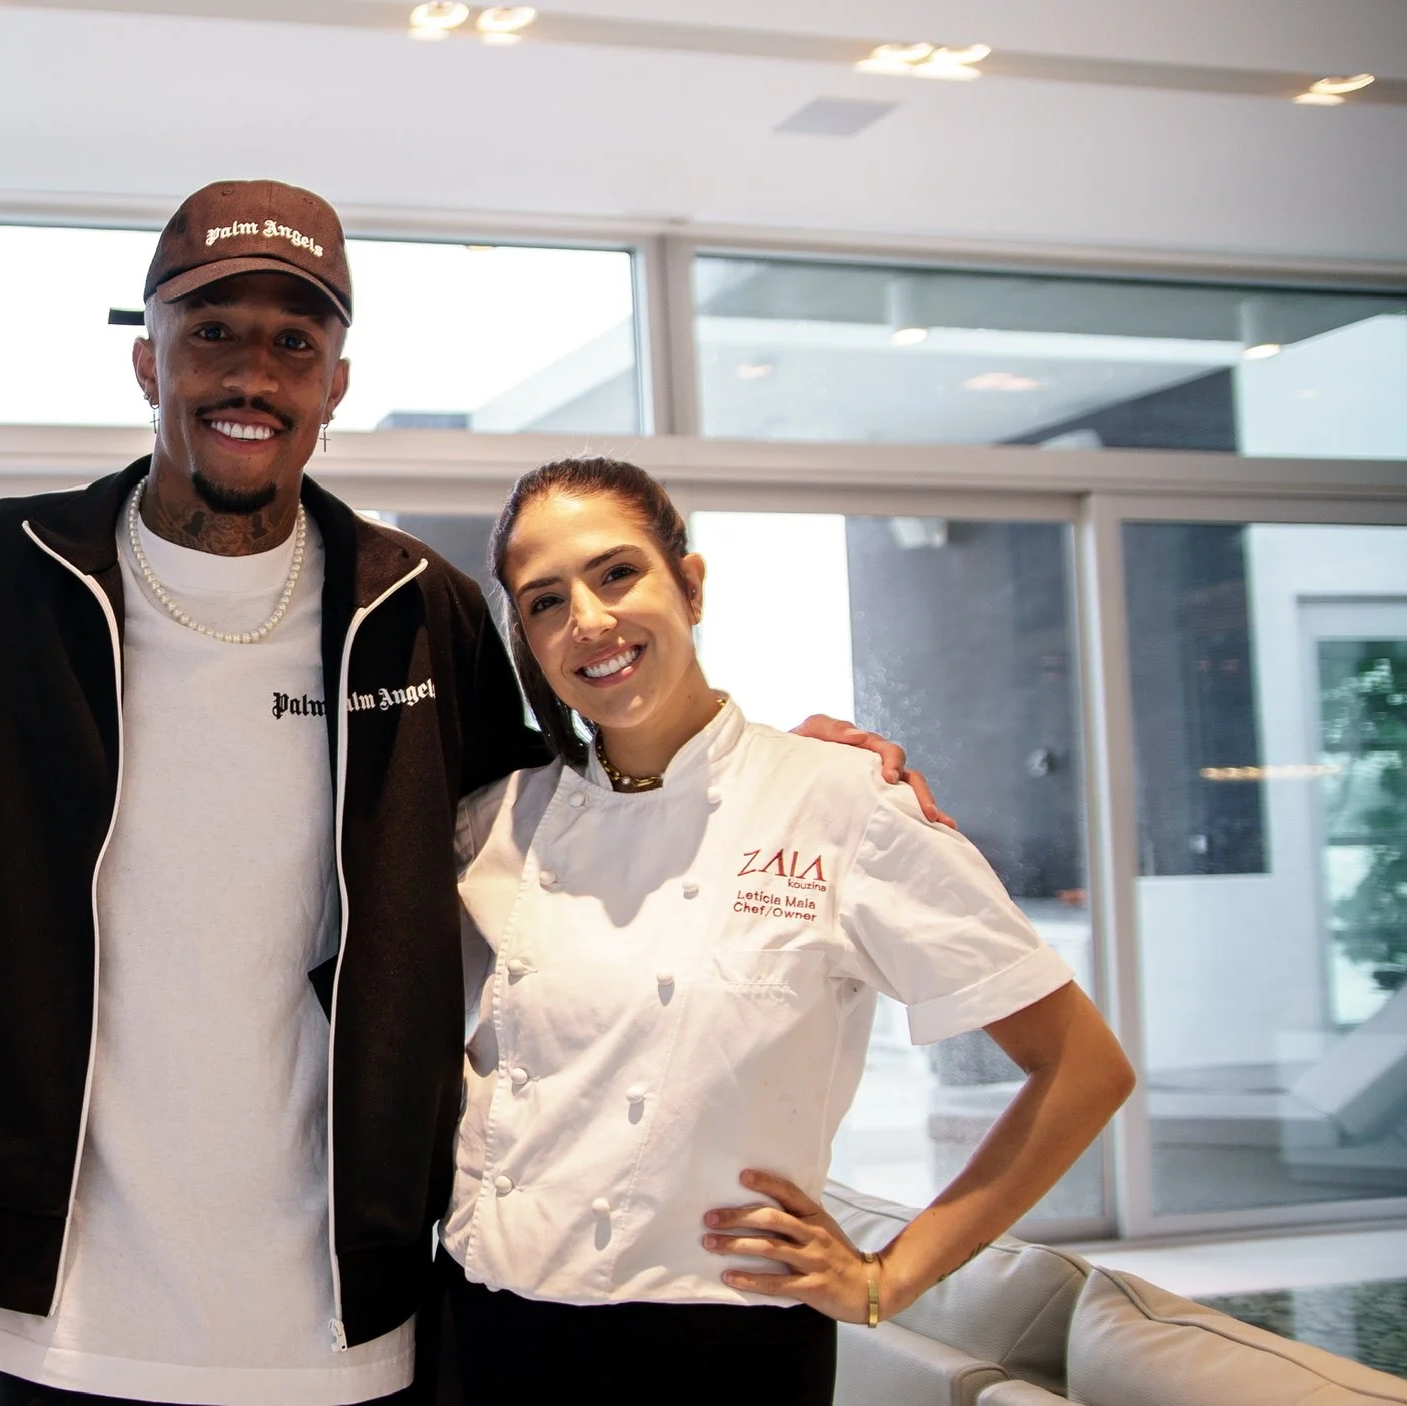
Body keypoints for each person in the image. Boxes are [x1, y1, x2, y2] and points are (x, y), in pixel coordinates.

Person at [0, 183, 937, 1406]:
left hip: (346, 1302)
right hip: (66, 1303)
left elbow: (572, 811)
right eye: (212, 330)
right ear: (144, 358)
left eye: (296, 341)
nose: (253, 374)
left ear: (335, 382)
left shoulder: (413, 605)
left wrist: (780, 768)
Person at [440, 456, 1137, 1404]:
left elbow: (1084, 1068)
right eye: (545, 601)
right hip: (486, 1329)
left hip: (724, 1352)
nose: (589, 623)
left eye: (616, 573)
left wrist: (892, 1277)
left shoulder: (843, 805)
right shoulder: (492, 824)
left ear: (689, 584)